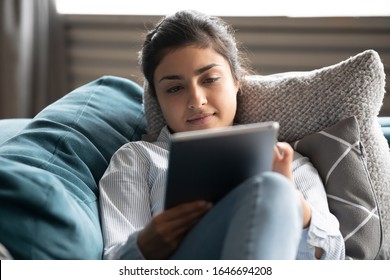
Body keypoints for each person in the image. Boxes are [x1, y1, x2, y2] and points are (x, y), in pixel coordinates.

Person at [99, 10, 345, 260]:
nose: (196, 100)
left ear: (236, 80)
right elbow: (112, 262)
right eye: (174, 88)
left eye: (210, 79)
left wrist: (292, 204)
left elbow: (335, 255)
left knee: (275, 187)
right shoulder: (138, 159)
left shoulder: (287, 161)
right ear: (156, 98)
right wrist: (145, 244)